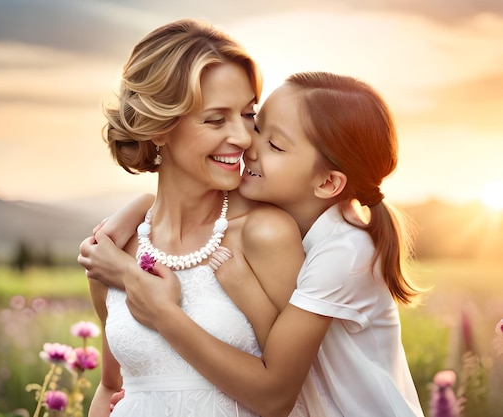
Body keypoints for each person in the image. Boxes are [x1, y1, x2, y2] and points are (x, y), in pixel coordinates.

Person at [80, 71, 426, 416]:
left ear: (327, 183)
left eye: (274, 145)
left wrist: (164, 309)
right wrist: (142, 207)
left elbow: (275, 382)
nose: (247, 143)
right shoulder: (294, 224)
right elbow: (177, 194)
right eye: (257, 125)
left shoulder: (344, 253)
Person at [84, 18, 324, 417]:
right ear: (158, 128)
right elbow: (111, 386)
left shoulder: (263, 235)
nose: (245, 137)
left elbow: (297, 393)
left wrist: (165, 314)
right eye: (216, 119)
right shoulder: (113, 250)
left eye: (249, 114)